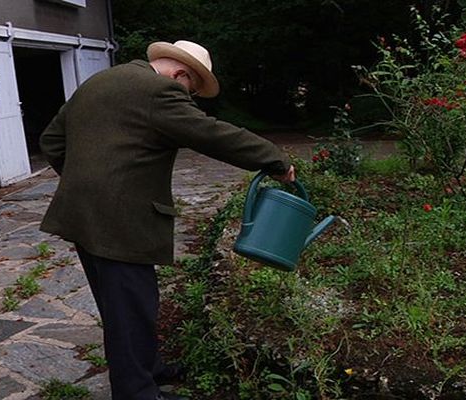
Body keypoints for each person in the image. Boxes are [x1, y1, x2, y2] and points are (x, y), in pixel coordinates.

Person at [39, 40, 295, 400]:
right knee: (130, 310)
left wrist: (85, 182)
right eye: (189, 91)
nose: (187, 98)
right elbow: (211, 134)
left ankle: (150, 369)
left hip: (82, 215)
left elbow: (51, 141)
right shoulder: (160, 91)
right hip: (120, 220)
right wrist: (275, 160)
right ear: (180, 74)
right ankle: (136, 392)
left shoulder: (100, 80)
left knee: (127, 304)